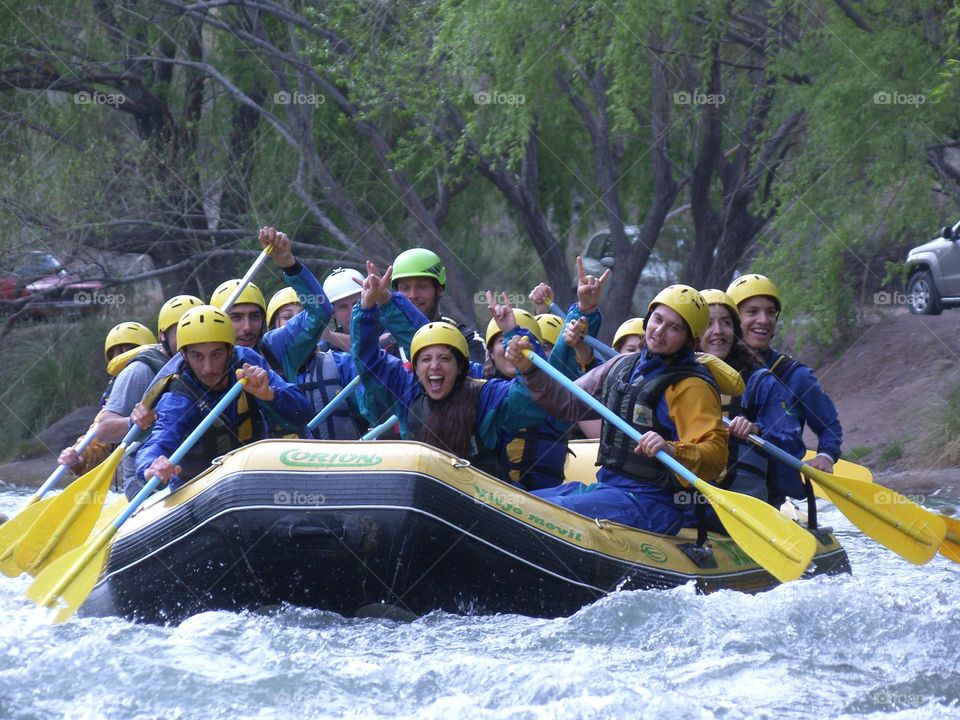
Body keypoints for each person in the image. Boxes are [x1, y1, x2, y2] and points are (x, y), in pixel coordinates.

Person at [506, 284, 728, 535]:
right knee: (521, 502)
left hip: (654, 503)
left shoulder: (691, 387)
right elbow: (566, 403)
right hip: (609, 488)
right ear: (648, 318)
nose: (659, 331)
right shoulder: (623, 365)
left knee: (547, 512)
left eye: (674, 327)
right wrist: (530, 371)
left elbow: (716, 455)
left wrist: (671, 448)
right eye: (657, 319)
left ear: (690, 341)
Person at [352, 267, 547, 478]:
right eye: (425, 359)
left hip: (483, 500)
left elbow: (532, 402)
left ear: (461, 367)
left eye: (444, 359)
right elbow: (367, 360)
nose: (434, 366)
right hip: (425, 497)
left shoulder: (485, 395)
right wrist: (367, 307)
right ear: (415, 367)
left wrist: (521, 352)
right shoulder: (406, 391)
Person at [137, 305, 312, 491]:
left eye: (216, 354)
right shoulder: (178, 395)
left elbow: (303, 413)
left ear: (230, 350)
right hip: (199, 488)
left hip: (251, 475)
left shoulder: (247, 363)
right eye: (197, 356)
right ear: (184, 355)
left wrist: (269, 395)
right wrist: (150, 467)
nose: (208, 368)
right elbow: (159, 441)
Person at [696, 289, 805, 515]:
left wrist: (756, 429)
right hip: (688, 497)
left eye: (726, 322)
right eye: (708, 323)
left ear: (735, 331)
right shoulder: (677, 379)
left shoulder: (760, 381)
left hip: (746, 501)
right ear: (694, 332)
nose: (718, 331)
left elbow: (792, 442)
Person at [726, 274, 842, 475]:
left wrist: (826, 455)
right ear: (734, 320)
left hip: (771, 492)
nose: (763, 320)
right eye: (752, 312)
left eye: (770, 312)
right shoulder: (713, 366)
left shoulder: (795, 375)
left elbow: (828, 425)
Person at [57, 321, 158, 476]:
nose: (129, 373)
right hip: (140, 471)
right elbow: (98, 438)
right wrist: (79, 456)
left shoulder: (165, 377)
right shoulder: (113, 401)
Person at [484, 309, 570, 490]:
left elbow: (564, 355)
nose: (512, 347)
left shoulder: (554, 393)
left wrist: (584, 310)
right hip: (493, 494)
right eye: (502, 341)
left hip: (543, 502)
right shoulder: (480, 389)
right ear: (491, 352)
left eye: (523, 342)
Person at [390, 247, 485, 364]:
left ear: (439, 290)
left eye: (422, 286)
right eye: (405, 288)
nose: (413, 295)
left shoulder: (469, 341)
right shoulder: (385, 347)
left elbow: (474, 378)